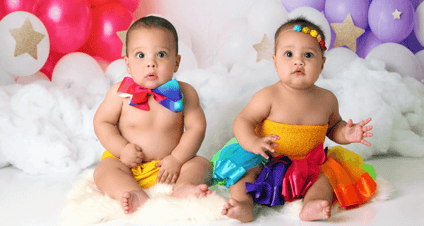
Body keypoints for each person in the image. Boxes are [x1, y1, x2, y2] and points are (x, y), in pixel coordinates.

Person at [215, 17, 376, 222]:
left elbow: (334, 127)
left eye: (308, 55)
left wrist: (346, 133)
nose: (298, 61)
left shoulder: (327, 99)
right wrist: (253, 143)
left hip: (307, 164)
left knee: (326, 178)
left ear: (322, 63)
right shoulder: (268, 95)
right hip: (266, 158)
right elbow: (243, 120)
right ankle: (243, 204)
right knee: (244, 173)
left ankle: (312, 204)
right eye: (289, 54)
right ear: (275, 61)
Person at [93, 15, 212, 214]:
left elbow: (196, 127)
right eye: (141, 56)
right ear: (128, 63)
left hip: (169, 166)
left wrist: (177, 158)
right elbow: (102, 122)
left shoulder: (185, 93)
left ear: (176, 62)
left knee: (201, 164)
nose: (151, 63)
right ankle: (131, 191)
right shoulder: (120, 93)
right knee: (104, 171)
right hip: (127, 164)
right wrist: (122, 150)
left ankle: (183, 187)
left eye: (161, 55)